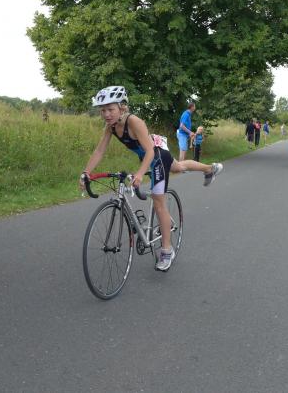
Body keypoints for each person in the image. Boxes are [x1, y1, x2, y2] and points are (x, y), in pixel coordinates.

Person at [80, 86, 223, 272]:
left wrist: (140, 174)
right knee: (179, 167)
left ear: (122, 107)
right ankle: (210, 169)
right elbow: (100, 150)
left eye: (110, 109)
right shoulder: (111, 126)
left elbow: (149, 151)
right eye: (103, 110)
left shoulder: (134, 121)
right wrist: (86, 172)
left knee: (158, 202)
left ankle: (167, 251)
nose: (106, 114)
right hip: (150, 155)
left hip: (156, 156)